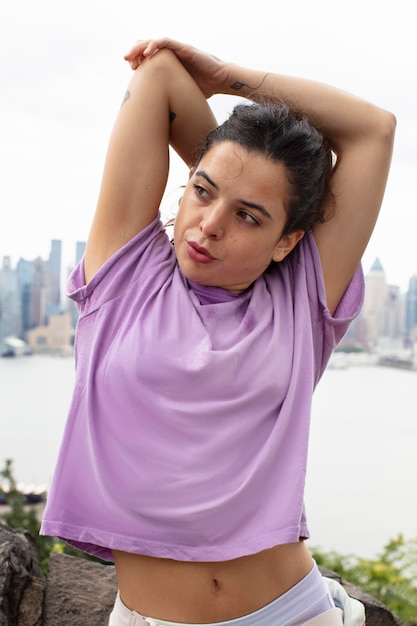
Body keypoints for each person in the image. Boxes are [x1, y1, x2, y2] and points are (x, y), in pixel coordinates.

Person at [40, 38, 395, 626]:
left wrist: (231, 77)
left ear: (288, 241)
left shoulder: (301, 299)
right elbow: (157, 75)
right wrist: (236, 151)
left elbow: (372, 130)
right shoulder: (126, 275)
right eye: (202, 191)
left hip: (292, 614)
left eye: (248, 216)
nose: (208, 225)